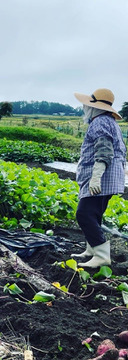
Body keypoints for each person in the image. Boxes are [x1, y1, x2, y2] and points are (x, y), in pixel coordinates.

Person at [71, 88, 126, 268]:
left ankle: (102, 255)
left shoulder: (100, 122)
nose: (85, 109)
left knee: (84, 213)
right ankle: (92, 250)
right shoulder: (108, 121)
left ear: (95, 107)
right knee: (94, 214)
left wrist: (96, 177)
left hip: (102, 178)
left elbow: (104, 150)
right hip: (109, 177)